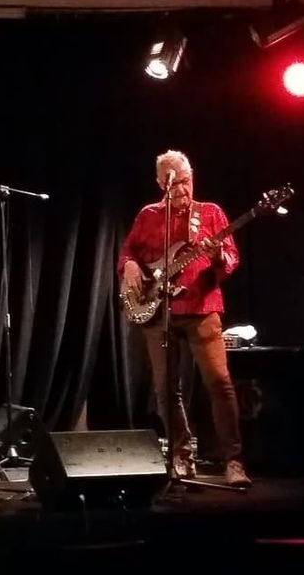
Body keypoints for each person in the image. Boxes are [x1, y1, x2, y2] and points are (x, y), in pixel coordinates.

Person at [118, 149, 251, 487]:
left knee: (219, 384)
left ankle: (233, 461)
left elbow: (231, 259)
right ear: (160, 183)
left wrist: (218, 254)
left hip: (202, 309)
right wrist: (128, 264)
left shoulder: (211, 213)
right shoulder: (148, 215)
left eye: (186, 181)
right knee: (166, 389)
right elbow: (129, 249)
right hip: (159, 313)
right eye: (174, 183)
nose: (182, 189)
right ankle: (181, 455)